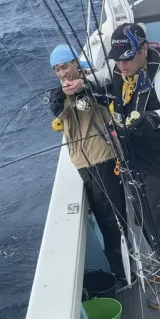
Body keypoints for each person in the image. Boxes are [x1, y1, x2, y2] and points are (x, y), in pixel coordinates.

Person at [70, 23, 160, 309]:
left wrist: (154, 118)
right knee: (144, 221)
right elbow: (99, 77)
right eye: (118, 58)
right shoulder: (116, 70)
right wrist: (79, 84)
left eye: (127, 58)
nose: (121, 64)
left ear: (144, 50)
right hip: (133, 165)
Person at [49, 44, 136, 293]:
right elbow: (57, 110)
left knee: (113, 222)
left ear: (76, 63)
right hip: (83, 166)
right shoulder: (58, 95)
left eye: (65, 66)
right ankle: (123, 270)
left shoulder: (97, 83)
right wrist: (67, 94)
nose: (62, 73)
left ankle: (125, 274)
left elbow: (108, 98)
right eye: (57, 69)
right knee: (104, 220)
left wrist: (84, 88)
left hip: (104, 160)